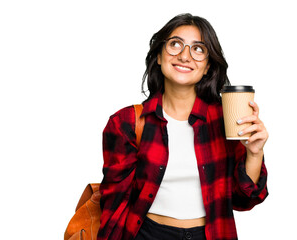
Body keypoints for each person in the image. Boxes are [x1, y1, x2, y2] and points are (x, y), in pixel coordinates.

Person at [98, 13, 269, 240]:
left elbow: (243, 200)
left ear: (208, 66)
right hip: (147, 234)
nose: (185, 56)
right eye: (175, 44)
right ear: (159, 56)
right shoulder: (127, 122)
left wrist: (254, 153)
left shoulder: (225, 120)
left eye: (198, 49)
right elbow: (114, 206)